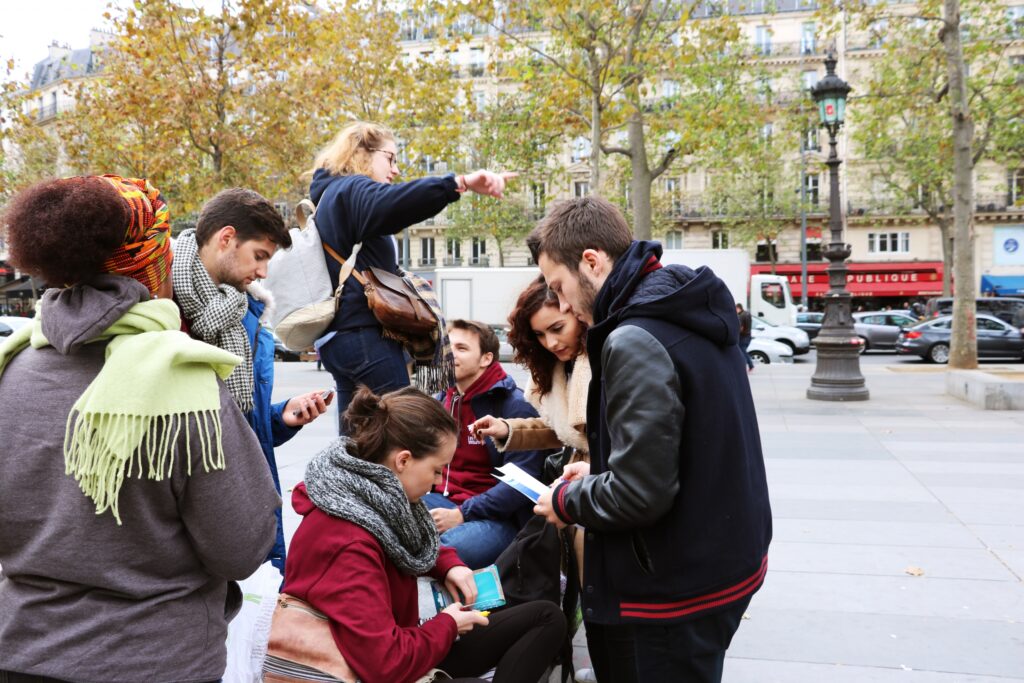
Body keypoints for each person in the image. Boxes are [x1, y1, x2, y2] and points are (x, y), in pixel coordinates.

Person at [0, 175, 279, 682]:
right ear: (154, 262)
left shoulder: (9, 370)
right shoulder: (184, 382)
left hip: (21, 652)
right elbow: (242, 547)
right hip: (154, 659)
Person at [530, 196, 772, 683]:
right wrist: (600, 471)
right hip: (721, 558)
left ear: (592, 262)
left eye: (559, 287)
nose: (561, 304)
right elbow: (682, 443)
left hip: (674, 587)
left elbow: (639, 494)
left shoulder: (634, 336)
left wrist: (567, 498)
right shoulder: (680, 307)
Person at [282, 385, 566, 683]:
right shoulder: (348, 541)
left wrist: (449, 564)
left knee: (546, 617)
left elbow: (405, 534)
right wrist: (448, 625)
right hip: (364, 668)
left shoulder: (369, 496)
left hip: (397, 644)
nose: (436, 483)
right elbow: (385, 665)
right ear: (403, 461)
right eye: (436, 470)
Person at [472, 278, 637, 683]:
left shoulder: (603, 358)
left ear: (577, 313)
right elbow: (560, 428)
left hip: (601, 490)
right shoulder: (561, 365)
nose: (549, 342)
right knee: (589, 597)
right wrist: (508, 430)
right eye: (539, 334)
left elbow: (593, 435)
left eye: (556, 329)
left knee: (607, 599)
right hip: (577, 490)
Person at [308, 121, 516, 423]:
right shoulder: (352, 188)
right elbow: (393, 204)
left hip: (341, 338)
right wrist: (458, 183)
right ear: (361, 153)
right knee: (399, 433)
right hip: (367, 337)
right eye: (390, 158)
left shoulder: (331, 196)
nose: (395, 170)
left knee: (358, 443)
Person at [172, 188, 332, 575]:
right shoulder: (158, 304)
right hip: (178, 520)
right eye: (259, 256)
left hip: (238, 504)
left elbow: (241, 423)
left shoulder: (246, 311)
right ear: (226, 238)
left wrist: (281, 418)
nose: (263, 272)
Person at [420, 320, 551, 569]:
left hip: (498, 518)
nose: (450, 354)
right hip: (444, 502)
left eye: (461, 348)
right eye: (447, 346)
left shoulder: (514, 406)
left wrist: (463, 514)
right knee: (383, 522)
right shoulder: (441, 401)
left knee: (441, 553)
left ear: (486, 358)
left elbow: (521, 484)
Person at [736, 302, 754, 372]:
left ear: (738, 308)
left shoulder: (741, 316)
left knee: (742, 352)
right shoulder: (747, 314)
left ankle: (746, 366)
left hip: (743, 337)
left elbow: (741, 327)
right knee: (743, 351)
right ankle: (750, 365)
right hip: (748, 336)